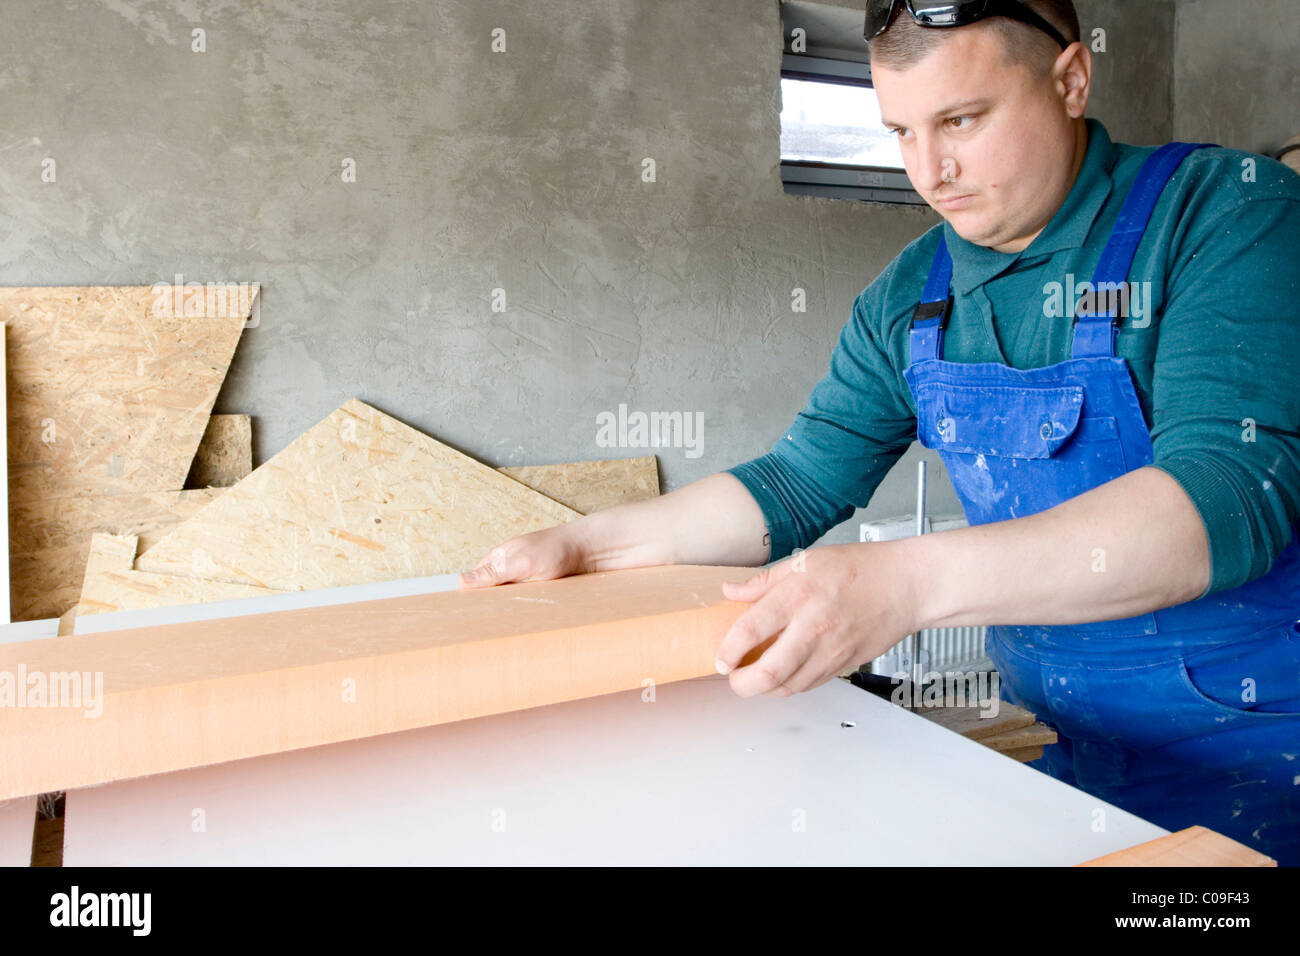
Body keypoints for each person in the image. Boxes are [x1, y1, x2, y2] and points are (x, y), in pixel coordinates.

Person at [461, 0, 1300, 864]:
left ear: (1071, 80)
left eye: (961, 120)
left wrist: (901, 584)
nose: (930, 170)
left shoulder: (1224, 214)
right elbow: (796, 483)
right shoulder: (912, 293)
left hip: (1262, 760)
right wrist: (586, 543)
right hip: (1064, 751)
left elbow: (1226, 499)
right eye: (900, 131)